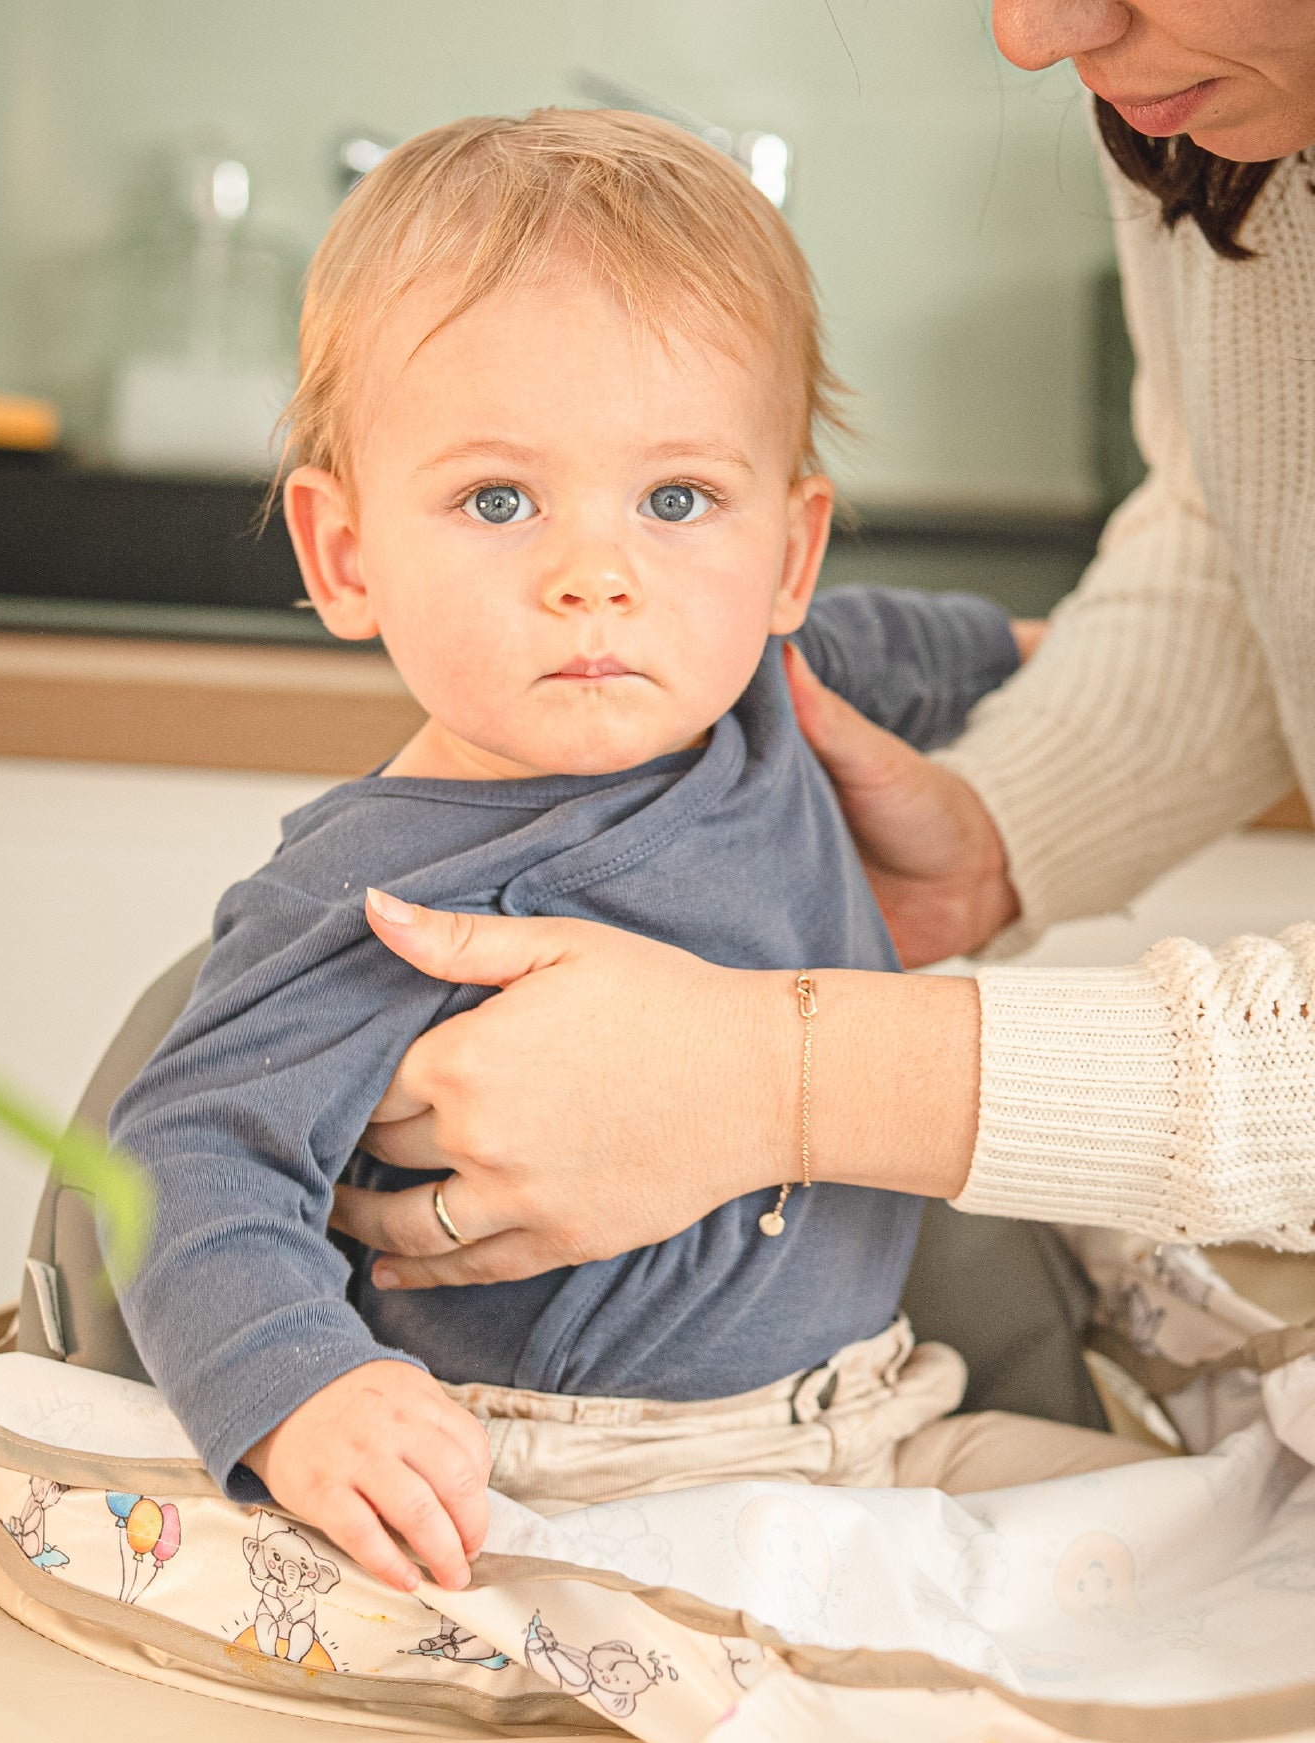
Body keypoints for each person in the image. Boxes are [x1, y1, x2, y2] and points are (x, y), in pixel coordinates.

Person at [328, 7, 1315, 1433]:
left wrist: (782, 1072)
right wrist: (999, 837)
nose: (1037, 34)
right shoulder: (1210, 91)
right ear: (341, 552)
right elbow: (1243, 523)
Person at [110, 110, 1151, 1601]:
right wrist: (300, 1394)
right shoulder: (374, 889)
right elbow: (186, 1159)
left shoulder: (786, 683)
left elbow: (943, 647)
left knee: (1251, 1541)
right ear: (344, 556)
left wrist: (1074, 659)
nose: (597, 575)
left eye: (676, 502)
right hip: (575, 1481)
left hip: (875, 1421)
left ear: (787, 556)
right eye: (496, 501)